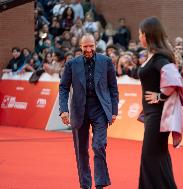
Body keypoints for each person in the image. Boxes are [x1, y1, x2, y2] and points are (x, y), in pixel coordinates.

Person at [59, 33, 119, 189]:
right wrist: (63, 110)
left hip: (100, 109)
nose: (88, 49)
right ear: (80, 46)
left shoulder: (106, 62)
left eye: (91, 46)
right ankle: (85, 185)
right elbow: (64, 87)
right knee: (81, 151)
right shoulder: (72, 64)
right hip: (79, 110)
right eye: (85, 46)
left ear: (95, 45)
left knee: (99, 146)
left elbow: (113, 87)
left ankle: (100, 183)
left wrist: (114, 111)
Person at [137, 16, 183, 189]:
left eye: (141, 34)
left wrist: (160, 96)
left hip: (158, 117)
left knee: (151, 157)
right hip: (152, 115)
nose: (139, 38)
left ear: (148, 35)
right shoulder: (153, 57)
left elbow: (175, 81)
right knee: (157, 157)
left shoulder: (159, 58)